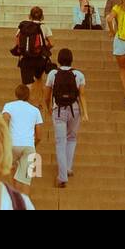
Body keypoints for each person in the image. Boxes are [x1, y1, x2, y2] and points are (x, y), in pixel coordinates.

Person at [43, 48, 87, 187]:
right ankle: (68, 167)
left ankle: (62, 177)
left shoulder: (53, 74)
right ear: (71, 59)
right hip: (74, 109)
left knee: (60, 142)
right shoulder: (78, 74)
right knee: (72, 138)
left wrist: (49, 107)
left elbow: (46, 95)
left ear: (59, 60)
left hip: (59, 109)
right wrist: (85, 112)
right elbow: (82, 95)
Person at [2, 85, 44, 196]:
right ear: (28, 96)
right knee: (26, 180)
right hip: (28, 146)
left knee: (11, 168)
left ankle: (14, 197)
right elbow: (39, 135)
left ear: (15, 94)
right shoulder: (35, 110)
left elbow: (4, 121)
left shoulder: (9, 106)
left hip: (12, 144)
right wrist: (33, 145)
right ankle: (25, 203)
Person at [11, 6, 53, 95]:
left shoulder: (23, 26)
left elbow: (17, 42)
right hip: (39, 59)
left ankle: (27, 102)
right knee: (39, 79)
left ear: (30, 16)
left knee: (27, 84)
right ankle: (40, 102)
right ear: (42, 17)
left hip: (26, 59)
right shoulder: (45, 27)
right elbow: (52, 43)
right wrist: (44, 48)